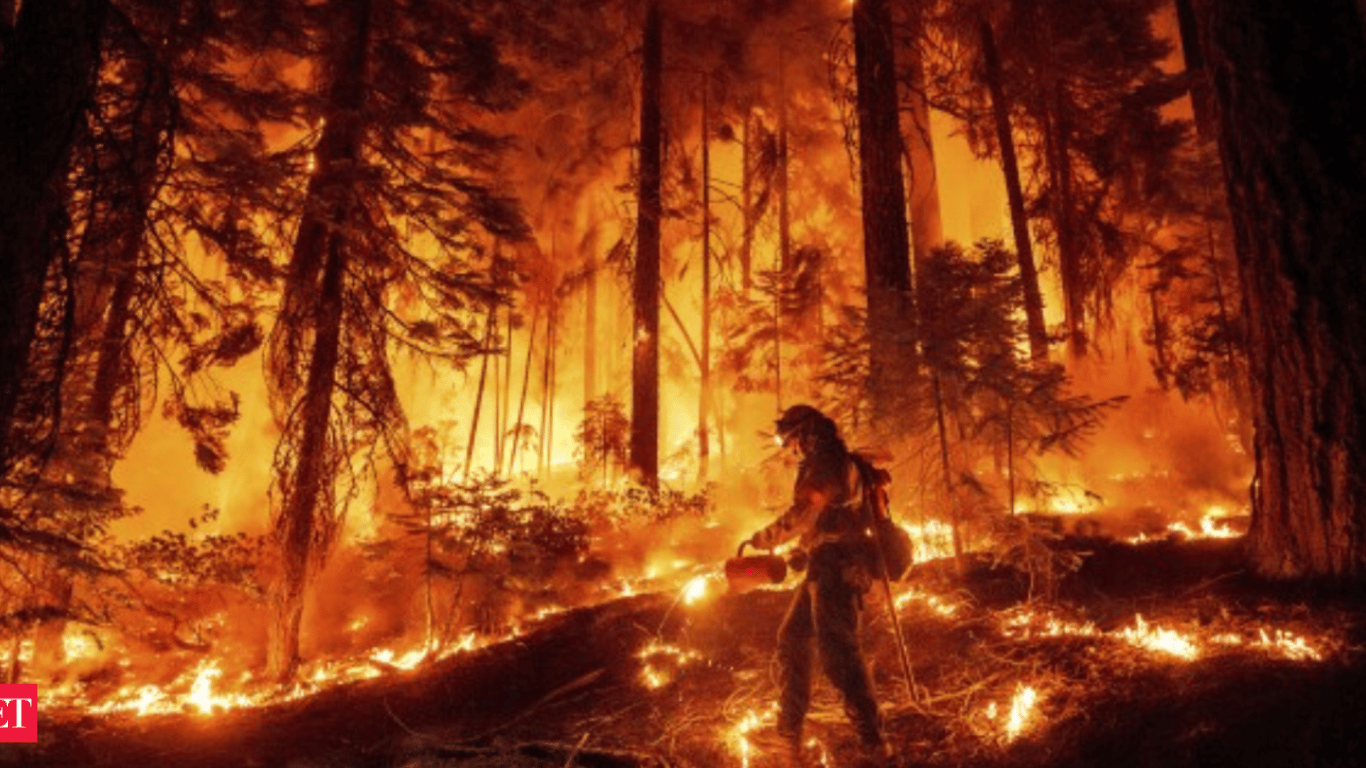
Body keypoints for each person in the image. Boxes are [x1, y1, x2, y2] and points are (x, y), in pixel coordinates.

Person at [745, 404, 893, 766]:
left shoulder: (828, 461)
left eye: (791, 438)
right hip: (822, 566)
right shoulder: (827, 460)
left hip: (839, 571)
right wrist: (800, 552)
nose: (791, 447)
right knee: (793, 640)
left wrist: (767, 537)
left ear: (805, 432)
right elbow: (824, 520)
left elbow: (806, 512)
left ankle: (874, 741)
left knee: (839, 655)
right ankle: (787, 735)